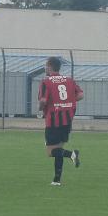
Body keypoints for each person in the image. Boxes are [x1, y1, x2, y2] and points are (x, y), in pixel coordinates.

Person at [38, 56, 83, 186]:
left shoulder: (46, 82)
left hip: (53, 120)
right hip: (67, 119)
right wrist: (67, 102)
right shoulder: (69, 80)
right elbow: (80, 95)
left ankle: (72, 154)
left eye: (46, 66)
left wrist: (40, 109)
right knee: (59, 149)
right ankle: (56, 180)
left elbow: (43, 101)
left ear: (50, 67)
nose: (45, 68)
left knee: (51, 151)